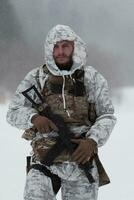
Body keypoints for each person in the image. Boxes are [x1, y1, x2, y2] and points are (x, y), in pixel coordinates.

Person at [6, 24, 117, 200]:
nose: (60, 52)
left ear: (75, 47)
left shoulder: (92, 78)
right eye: (55, 47)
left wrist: (92, 140)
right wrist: (33, 118)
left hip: (81, 161)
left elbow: (107, 116)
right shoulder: (36, 77)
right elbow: (12, 112)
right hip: (44, 161)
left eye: (65, 46)